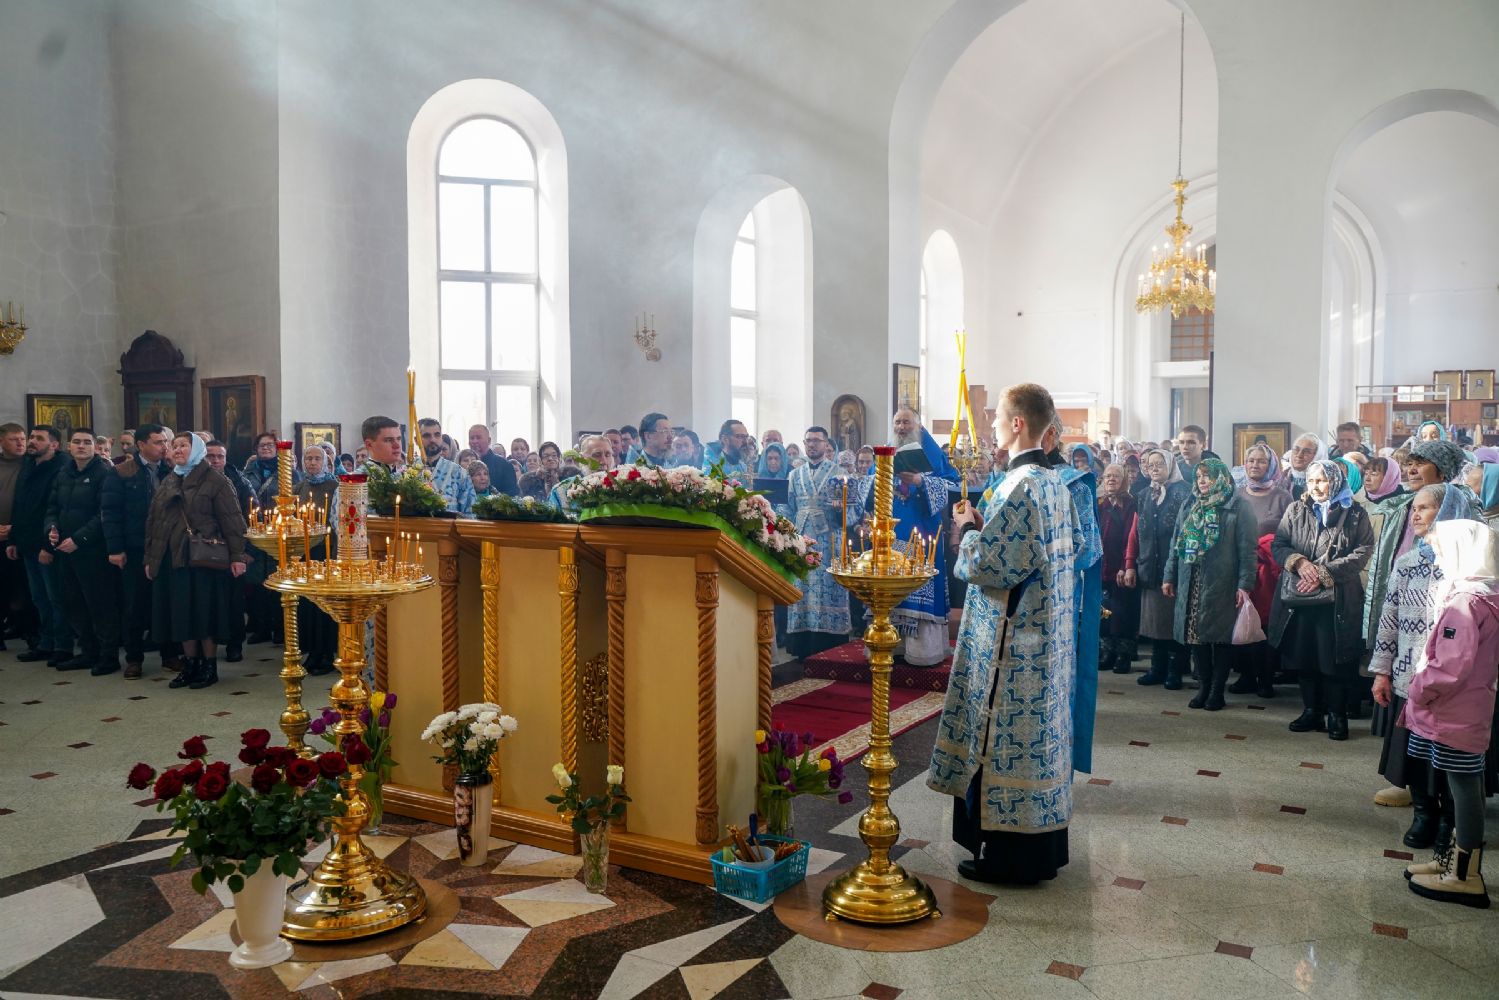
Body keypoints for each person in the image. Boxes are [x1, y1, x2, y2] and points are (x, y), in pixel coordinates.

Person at [929, 382, 1079, 885]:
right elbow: (1067, 546)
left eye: (996, 419)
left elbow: (988, 565)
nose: (991, 427)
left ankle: (1007, 859)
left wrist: (968, 530)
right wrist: (985, 524)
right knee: (1039, 740)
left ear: (1018, 424)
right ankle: (1038, 853)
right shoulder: (1056, 482)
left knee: (1002, 740)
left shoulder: (1021, 486)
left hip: (1012, 646)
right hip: (1046, 638)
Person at [1370, 483, 1477, 847]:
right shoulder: (1407, 563)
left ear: (1448, 513)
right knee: (1413, 755)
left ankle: (1450, 820)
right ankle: (1423, 813)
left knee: (1448, 756)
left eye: (1425, 507)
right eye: (1414, 508)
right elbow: (1388, 621)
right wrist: (1382, 672)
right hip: (1410, 677)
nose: (1415, 514)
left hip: (1455, 683)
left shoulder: (1468, 568)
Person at [1402, 519, 1499, 908]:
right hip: (1468, 709)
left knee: (1463, 787)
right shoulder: (1486, 596)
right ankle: (1451, 860)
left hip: (1453, 712)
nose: (1438, 558)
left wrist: (1418, 689)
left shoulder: (1466, 603)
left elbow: (1450, 666)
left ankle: (1465, 875)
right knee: (1464, 785)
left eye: (1442, 550)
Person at [1270, 460, 1374, 740]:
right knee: (1304, 656)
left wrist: (1324, 573)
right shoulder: (1296, 509)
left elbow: (1363, 551)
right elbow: (1279, 544)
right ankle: (1311, 711)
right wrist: (1299, 562)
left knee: (1334, 659)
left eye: (1322, 480)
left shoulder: (1355, 513)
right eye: (1311, 480)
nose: (1315, 486)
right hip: (1300, 596)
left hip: (1337, 599)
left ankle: (1337, 715)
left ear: (1335, 481)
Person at [144, 433, 248, 691]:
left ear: (197, 450)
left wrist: (238, 556)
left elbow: (233, 521)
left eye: (184, 445)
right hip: (173, 559)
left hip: (203, 560)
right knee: (182, 615)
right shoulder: (170, 479)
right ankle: (190, 665)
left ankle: (209, 666)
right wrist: (151, 558)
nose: (178, 450)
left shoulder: (216, 480)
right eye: (175, 446)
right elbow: (154, 522)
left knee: (204, 614)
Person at [863, 408, 958, 666]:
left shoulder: (933, 453)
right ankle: (889, 645)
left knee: (919, 585)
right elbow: (867, 489)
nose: (901, 427)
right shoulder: (885, 453)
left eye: (906, 422)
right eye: (897, 422)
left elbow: (953, 485)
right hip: (890, 535)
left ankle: (921, 650)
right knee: (890, 588)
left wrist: (920, 481)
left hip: (923, 532)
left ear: (918, 425)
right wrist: (879, 480)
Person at [1162, 458, 1258, 711]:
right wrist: (1169, 575)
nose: (1202, 481)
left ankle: (1217, 690)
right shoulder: (1190, 503)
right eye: (1199, 476)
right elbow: (1176, 544)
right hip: (1191, 579)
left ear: (1221, 478)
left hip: (1223, 581)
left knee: (1221, 639)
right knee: (1196, 637)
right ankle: (1203, 686)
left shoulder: (1238, 506)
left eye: (1208, 476)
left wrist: (1244, 585)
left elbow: (1248, 551)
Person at [44, 429, 122, 675]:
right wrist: (52, 528)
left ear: (95, 447)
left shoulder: (105, 473)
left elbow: (105, 513)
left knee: (100, 604)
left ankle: (108, 656)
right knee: (73, 602)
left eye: (87, 442)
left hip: (94, 550)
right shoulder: (63, 473)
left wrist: (79, 539)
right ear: (68, 446)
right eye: (76, 442)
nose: (81, 446)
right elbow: (52, 507)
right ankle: (88, 652)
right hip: (65, 550)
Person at [101, 423, 173, 678]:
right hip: (135, 548)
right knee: (134, 605)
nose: (164, 447)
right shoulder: (122, 472)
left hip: (166, 547)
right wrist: (116, 548)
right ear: (141, 445)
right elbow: (110, 512)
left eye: (165, 442)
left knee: (165, 603)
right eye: (158, 442)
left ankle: (170, 655)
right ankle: (134, 658)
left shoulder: (172, 470)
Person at [784, 427, 854, 658]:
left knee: (829, 586)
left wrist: (842, 508)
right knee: (802, 586)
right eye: (808, 441)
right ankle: (802, 644)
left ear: (826, 444)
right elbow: (789, 507)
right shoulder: (795, 474)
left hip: (830, 539)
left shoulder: (840, 473)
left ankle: (830, 643)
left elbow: (854, 510)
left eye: (817, 440)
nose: (812, 445)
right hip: (802, 538)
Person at [7, 426, 71, 665]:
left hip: (47, 545)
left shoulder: (62, 468)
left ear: (54, 445)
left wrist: (48, 546)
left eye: (38, 438)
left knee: (56, 598)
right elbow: (20, 503)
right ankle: (46, 643)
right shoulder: (28, 464)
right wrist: (14, 539)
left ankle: (62, 645)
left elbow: (56, 511)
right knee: (38, 597)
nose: (31, 441)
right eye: (31, 437)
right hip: (27, 543)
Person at [1134, 448, 1191, 688]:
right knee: (1155, 621)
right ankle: (1157, 668)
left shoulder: (1185, 491)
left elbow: (1187, 532)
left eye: (1160, 464)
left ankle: (1175, 670)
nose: (1154, 468)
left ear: (1171, 465)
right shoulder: (1143, 494)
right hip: (1150, 565)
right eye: (1150, 465)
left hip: (1175, 565)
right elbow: (1138, 532)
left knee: (1174, 620)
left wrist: (1177, 567)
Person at [294, 444, 339, 675]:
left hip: (326, 551)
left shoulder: (334, 486)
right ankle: (313, 651)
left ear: (326, 462)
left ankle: (326, 653)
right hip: (306, 552)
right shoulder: (300, 486)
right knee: (308, 605)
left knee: (324, 605)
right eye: (308, 458)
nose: (312, 462)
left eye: (316, 459)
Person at [1097, 464, 1140, 675]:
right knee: (1105, 612)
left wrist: (1125, 566)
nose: (1111, 480)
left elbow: (1131, 537)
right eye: (1107, 476)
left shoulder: (1131, 504)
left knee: (1124, 613)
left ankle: (1124, 655)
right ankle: (1108, 652)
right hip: (1103, 567)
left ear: (1124, 480)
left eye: (1116, 476)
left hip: (1122, 567)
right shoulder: (1101, 504)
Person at [0, 423, 28, 650]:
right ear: (1, 441)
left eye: (22, 439)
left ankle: (25, 629)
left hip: (21, 535)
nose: (20, 443)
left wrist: (15, 528)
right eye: (13, 439)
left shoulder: (31, 464)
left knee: (23, 586)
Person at [417, 418, 476, 515]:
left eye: (437, 435)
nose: (432, 440)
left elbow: (470, 512)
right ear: (416, 440)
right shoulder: (407, 472)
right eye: (426, 436)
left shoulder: (459, 473)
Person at [548, 434, 615, 513]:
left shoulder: (624, 486)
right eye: (597, 455)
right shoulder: (561, 490)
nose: (604, 461)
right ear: (582, 458)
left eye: (608, 455)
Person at [1285, 433, 1323, 500]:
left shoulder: (1324, 484)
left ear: (1317, 456)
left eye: (1306, 452)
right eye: (1296, 449)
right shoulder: (1282, 480)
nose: (1299, 455)